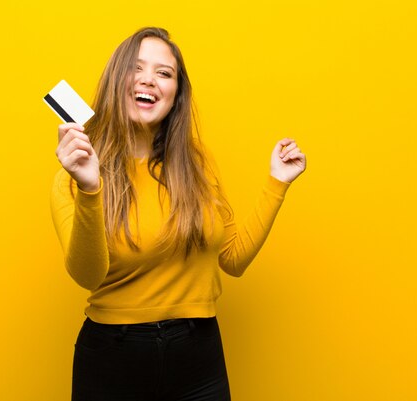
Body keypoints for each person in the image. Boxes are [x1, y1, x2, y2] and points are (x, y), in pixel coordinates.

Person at [51, 27, 306, 401]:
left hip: (199, 354)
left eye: (164, 73)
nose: (148, 80)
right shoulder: (71, 177)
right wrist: (91, 188)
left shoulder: (196, 163)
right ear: (116, 81)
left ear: (176, 95)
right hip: (113, 359)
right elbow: (88, 275)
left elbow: (232, 260)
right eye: (136, 68)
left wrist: (276, 184)